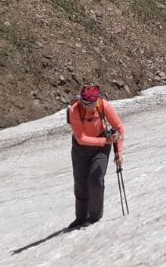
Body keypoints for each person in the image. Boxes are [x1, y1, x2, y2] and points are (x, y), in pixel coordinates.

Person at [66, 85, 124, 230]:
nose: (91, 108)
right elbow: (81, 138)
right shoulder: (74, 110)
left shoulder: (103, 105)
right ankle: (80, 217)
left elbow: (119, 128)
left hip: (101, 148)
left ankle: (94, 216)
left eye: (93, 104)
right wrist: (105, 141)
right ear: (82, 102)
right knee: (81, 183)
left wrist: (119, 153)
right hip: (81, 149)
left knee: (95, 179)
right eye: (87, 105)